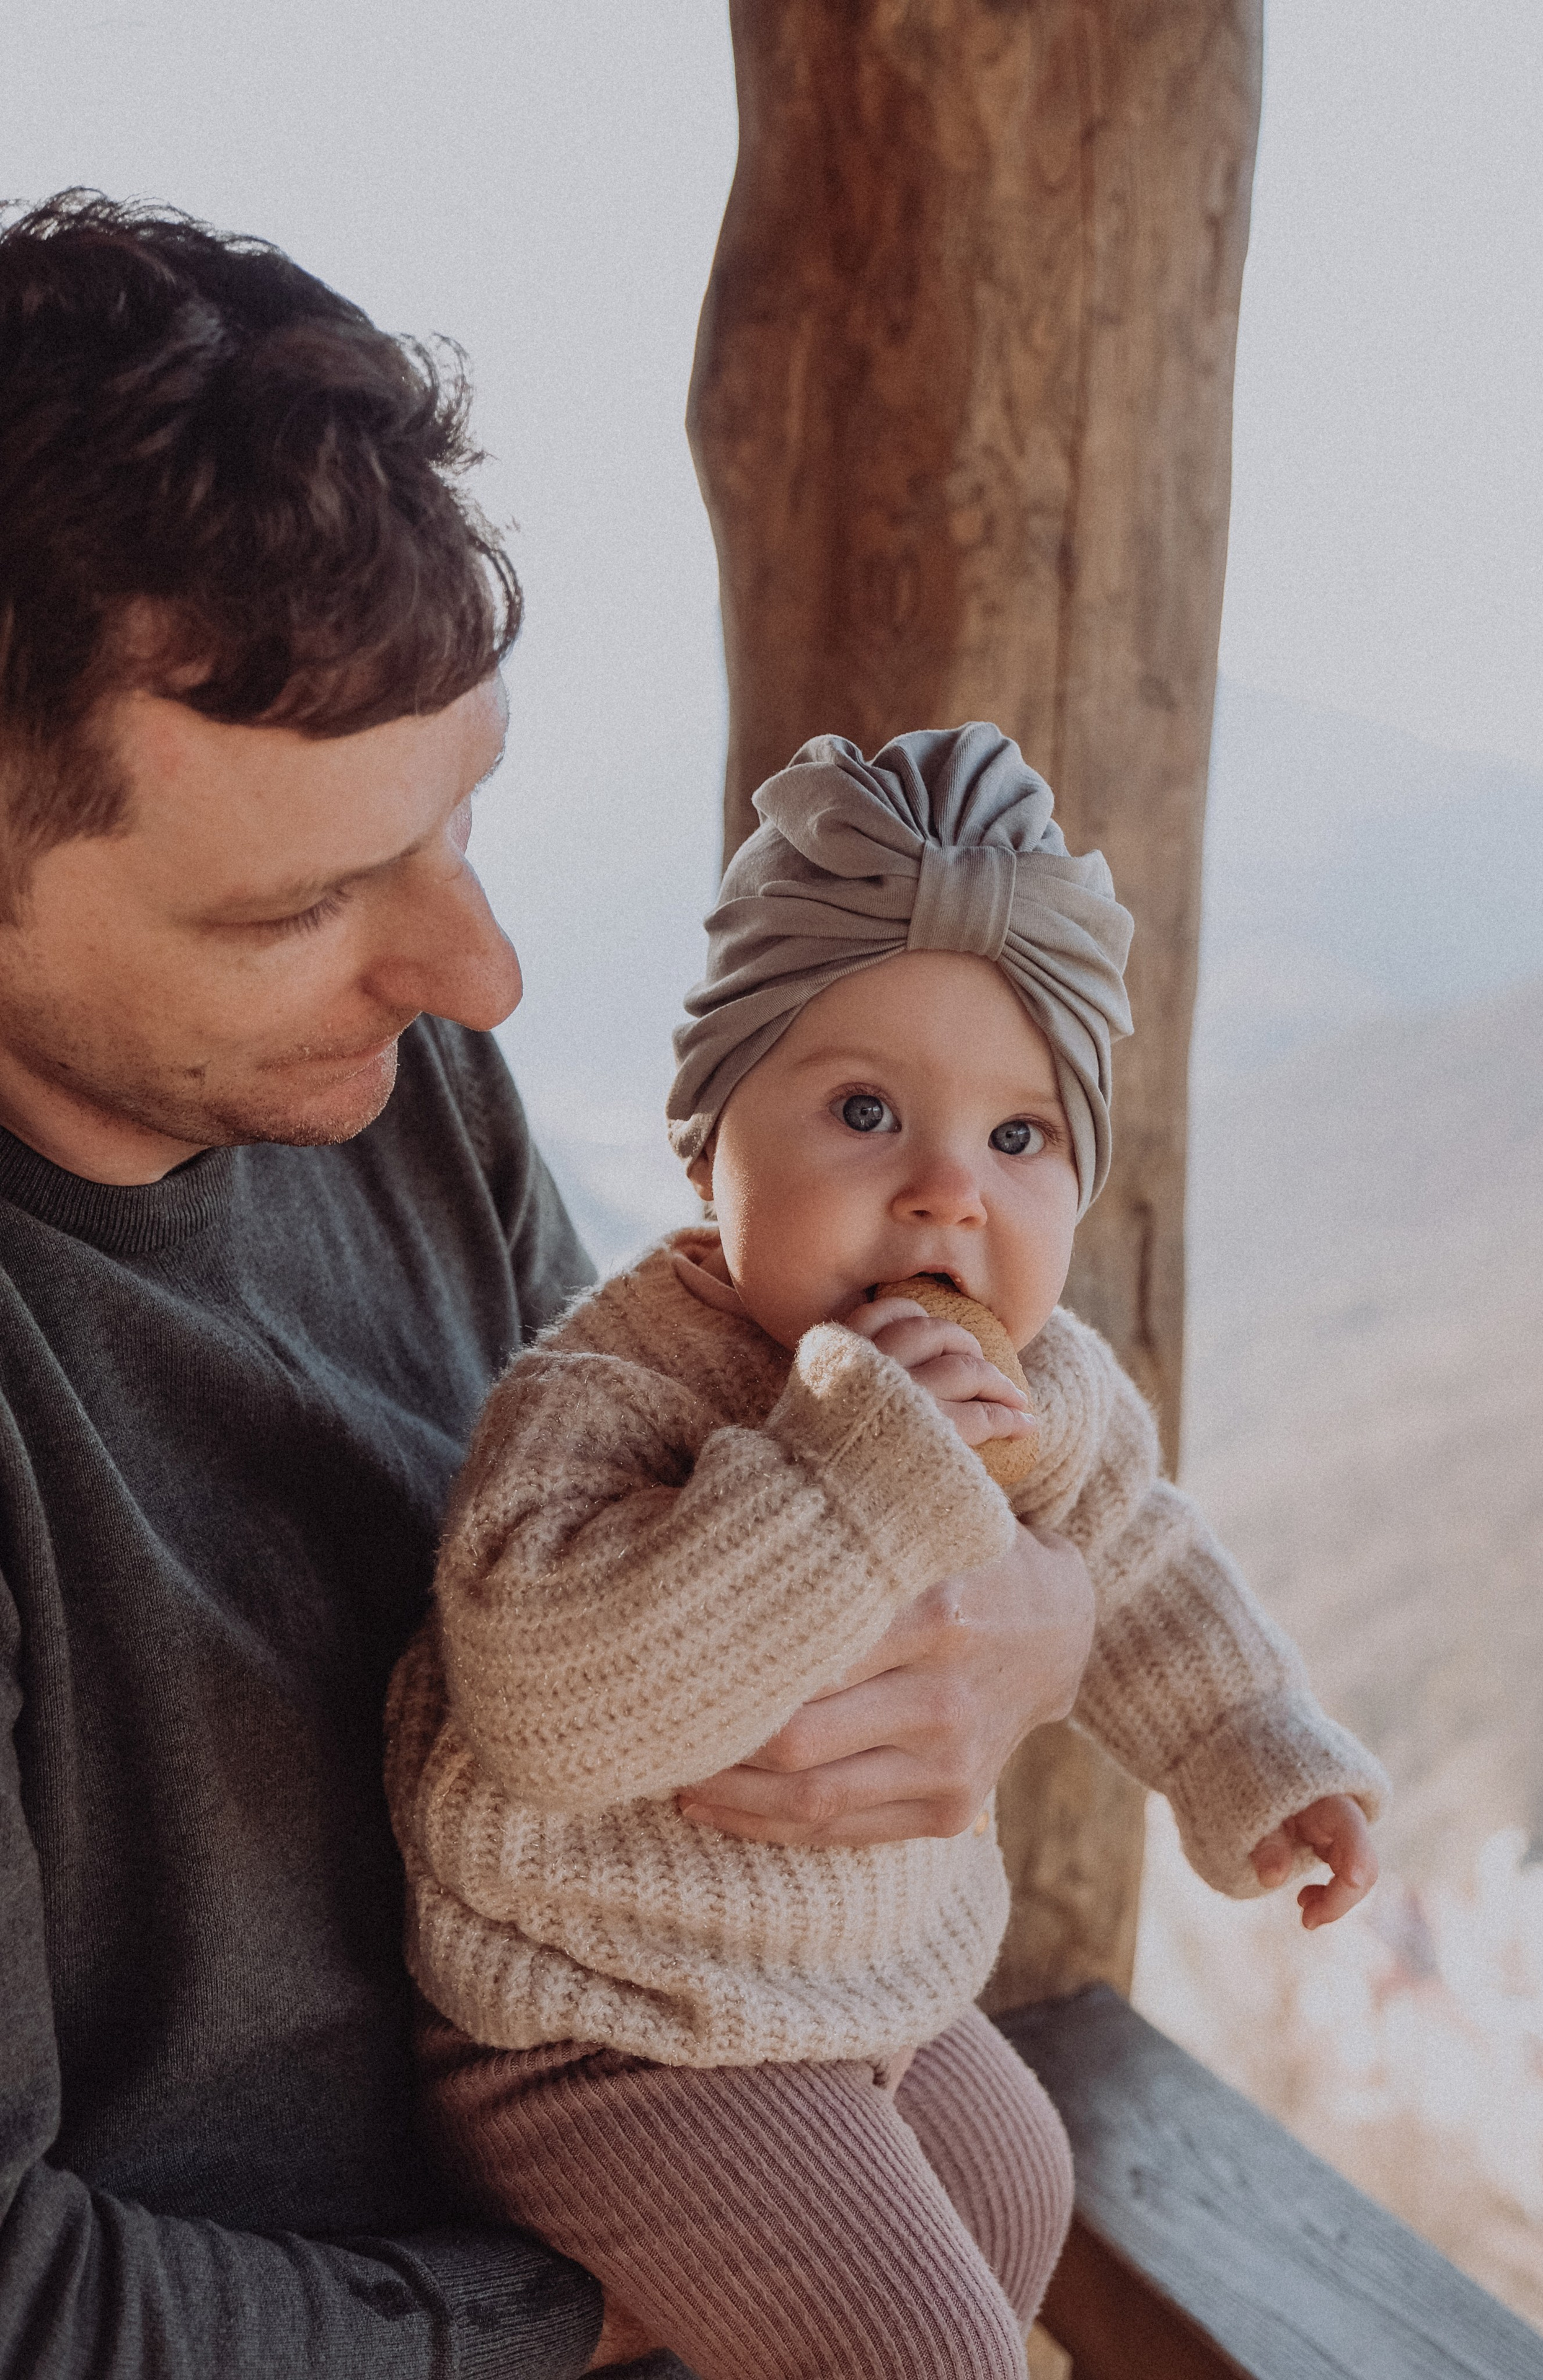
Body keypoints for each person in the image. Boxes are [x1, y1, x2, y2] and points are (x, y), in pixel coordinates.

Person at [0, 196, 1097, 2380]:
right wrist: (633, 2292)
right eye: (303, 903)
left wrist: (1031, 1627)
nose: (473, 974)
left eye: (464, 821)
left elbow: (695, 1462)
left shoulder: (409, 1088)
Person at [387, 726, 1390, 2380]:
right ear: (711, 1149)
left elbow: (1136, 1554)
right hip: (602, 2019)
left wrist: (1252, 1747)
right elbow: (546, 1705)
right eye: (866, 1111)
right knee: (928, 2353)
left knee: (1019, 2181)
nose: (945, 1197)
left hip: (849, 1987)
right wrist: (853, 1472)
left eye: (1020, 1140)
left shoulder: (1038, 1382)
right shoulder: (611, 1394)